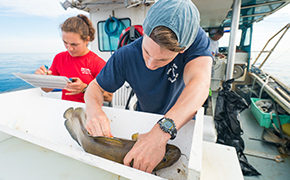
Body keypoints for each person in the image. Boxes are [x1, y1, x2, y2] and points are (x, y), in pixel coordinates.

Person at [85, 0, 212, 173]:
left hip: (182, 124)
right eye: (146, 52)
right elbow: (95, 88)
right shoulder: (125, 55)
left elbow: (201, 83)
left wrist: (160, 134)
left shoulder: (195, 40)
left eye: (163, 60)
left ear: (183, 49)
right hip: (145, 117)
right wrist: (94, 110)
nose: (151, 64)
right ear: (144, 32)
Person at [34, 14, 112, 103]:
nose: (69, 48)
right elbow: (47, 89)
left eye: (74, 44)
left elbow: (109, 96)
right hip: (68, 111)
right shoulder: (59, 58)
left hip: (90, 111)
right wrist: (42, 79)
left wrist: (85, 88)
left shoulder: (98, 63)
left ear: (87, 40)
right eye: (65, 43)